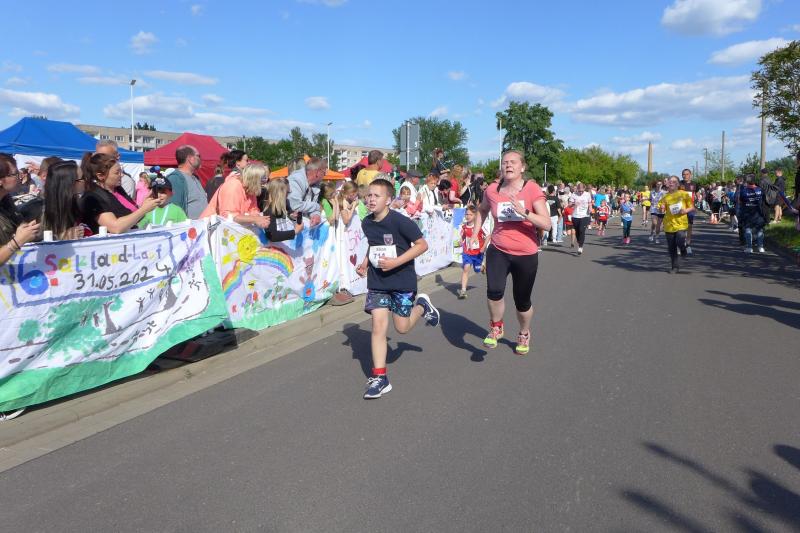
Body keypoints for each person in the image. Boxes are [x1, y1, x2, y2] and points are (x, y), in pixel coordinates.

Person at [356, 178, 439, 399]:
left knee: (402, 328)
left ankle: (421, 306)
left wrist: (396, 262)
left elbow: (422, 245)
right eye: (369, 195)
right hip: (378, 282)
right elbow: (373, 245)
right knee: (378, 326)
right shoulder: (366, 223)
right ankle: (380, 378)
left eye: (376, 195)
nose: (371, 199)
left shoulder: (401, 222)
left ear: (388, 200)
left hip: (402, 281)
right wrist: (365, 263)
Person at [473, 150, 549, 355]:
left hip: (526, 253)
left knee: (522, 301)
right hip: (498, 249)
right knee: (494, 291)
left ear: (522, 167)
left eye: (513, 162)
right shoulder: (492, 190)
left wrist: (525, 212)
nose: (508, 165)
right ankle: (496, 326)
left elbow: (546, 223)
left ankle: (524, 332)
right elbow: (482, 210)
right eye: (505, 162)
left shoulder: (531, 189)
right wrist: (475, 232)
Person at [79, 152, 161, 234]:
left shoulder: (118, 189)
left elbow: (133, 217)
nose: (121, 175)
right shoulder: (93, 197)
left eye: (121, 171)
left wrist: (145, 204)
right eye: (117, 172)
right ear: (100, 176)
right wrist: (143, 210)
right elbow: (115, 228)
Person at [201, 163, 271, 228]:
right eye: (263, 179)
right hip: (211, 227)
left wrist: (259, 219)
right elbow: (229, 216)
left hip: (229, 229)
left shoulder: (250, 189)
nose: (265, 182)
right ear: (254, 179)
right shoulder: (233, 186)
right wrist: (255, 219)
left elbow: (253, 209)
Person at [0, 154, 40, 267]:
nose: (20, 177)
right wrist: (16, 242)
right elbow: (17, 240)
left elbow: (21, 228)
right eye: (15, 174)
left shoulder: (6, 201)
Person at [41, 160, 90, 240]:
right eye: (82, 178)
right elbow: (31, 242)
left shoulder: (72, 203)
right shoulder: (40, 210)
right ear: (69, 183)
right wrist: (62, 237)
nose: (85, 180)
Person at [658, 175, 694, 273]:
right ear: (667, 184)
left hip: (681, 223)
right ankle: (675, 267)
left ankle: (683, 248)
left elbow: (692, 207)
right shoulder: (665, 197)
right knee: (672, 247)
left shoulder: (684, 194)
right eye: (670, 181)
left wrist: (685, 210)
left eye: (674, 181)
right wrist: (661, 208)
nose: (671, 183)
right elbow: (661, 209)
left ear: (678, 184)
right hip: (669, 224)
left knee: (680, 239)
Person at [168, 145, 209, 219]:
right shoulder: (175, 179)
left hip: (202, 224)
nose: (200, 159)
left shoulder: (195, 178)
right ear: (190, 159)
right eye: (198, 156)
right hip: (188, 225)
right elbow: (173, 211)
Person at [457, 205, 488, 299]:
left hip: (478, 253)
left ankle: (482, 267)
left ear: (475, 216)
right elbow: (462, 237)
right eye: (466, 214)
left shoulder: (479, 227)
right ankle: (463, 291)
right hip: (467, 252)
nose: (467, 216)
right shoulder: (463, 227)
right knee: (466, 268)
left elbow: (488, 236)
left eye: (470, 215)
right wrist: (460, 241)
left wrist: (483, 247)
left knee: (477, 270)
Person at [287, 157, 324, 226]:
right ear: (317, 172)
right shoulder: (295, 180)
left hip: (303, 226)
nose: (324, 176)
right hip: (290, 226)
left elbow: (312, 208)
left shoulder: (316, 185)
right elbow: (295, 206)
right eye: (324, 173)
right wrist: (317, 206)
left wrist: (316, 215)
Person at [739, 174, 766, 253]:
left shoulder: (744, 190)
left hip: (747, 212)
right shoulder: (760, 190)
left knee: (748, 229)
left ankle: (749, 248)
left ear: (747, 181)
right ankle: (760, 247)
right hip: (759, 212)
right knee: (760, 229)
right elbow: (763, 200)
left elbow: (740, 201)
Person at [568, 182, 592, 255]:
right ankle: (579, 242)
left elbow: (590, 203)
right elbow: (569, 205)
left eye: (582, 191)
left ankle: (580, 247)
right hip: (575, 215)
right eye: (579, 191)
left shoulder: (587, 194)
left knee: (582, 230)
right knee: (577, 231)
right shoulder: (574, 195)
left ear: (584, 189)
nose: (581, 192)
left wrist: (590, 208)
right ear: (577, 189)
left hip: (585, 215)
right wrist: (574, 204)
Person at [679, 168, 697, 255]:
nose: (685, 176)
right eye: (683, 174)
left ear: (690, 175)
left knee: (689, 226)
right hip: (681, 208)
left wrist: (698, 197)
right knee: (681, 227)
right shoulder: (679, 184)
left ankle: (688, 245)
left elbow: (695, 194)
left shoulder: (694, 184)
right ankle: (680, 245)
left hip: (690, 208)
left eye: (686, 174)